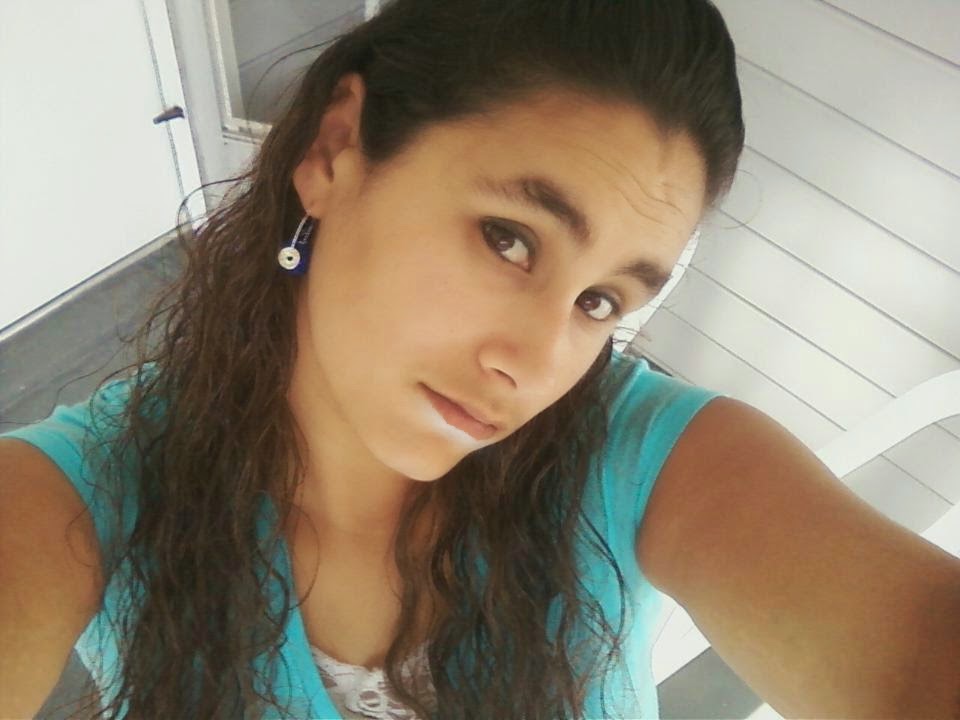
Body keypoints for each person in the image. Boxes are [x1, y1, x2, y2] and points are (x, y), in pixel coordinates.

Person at [2, 0, 958, 718]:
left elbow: (914, 650)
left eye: (599, 303)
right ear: (335, 149)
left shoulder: (651, 463)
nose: (536, 365)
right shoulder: (91, 493)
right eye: (509, 239)